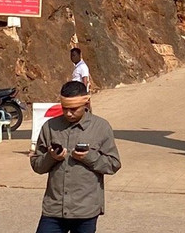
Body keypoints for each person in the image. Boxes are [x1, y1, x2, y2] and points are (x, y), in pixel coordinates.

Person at [30, 80, 121, 233]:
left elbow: (114, 164)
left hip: (85, 210)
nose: (68, 113)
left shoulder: (101, 127)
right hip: (54, 209)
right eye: (65, 109)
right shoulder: (50, 127)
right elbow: (37, 165)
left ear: (86, 104)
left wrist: (89, 157)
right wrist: (51, 157)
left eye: (73, 109)